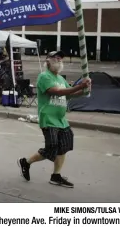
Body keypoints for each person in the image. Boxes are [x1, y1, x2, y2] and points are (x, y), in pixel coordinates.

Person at [17, 51, 91, 188]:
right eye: (55, 57)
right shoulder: (44, 76)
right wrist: (80, 85)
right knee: (52, 148)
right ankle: (26, 162)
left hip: (61, 120)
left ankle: (56, 176)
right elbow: (57, 92)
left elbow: (69, 95)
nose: (59, 59)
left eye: (60, 58)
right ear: (48, 61)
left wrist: (85, 89)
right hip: (48, 118)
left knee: (64, 146)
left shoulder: (61, 79)